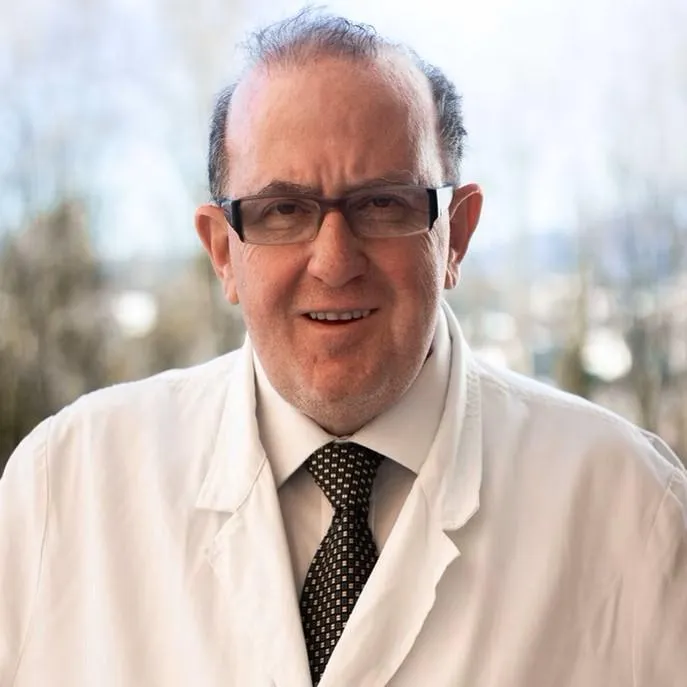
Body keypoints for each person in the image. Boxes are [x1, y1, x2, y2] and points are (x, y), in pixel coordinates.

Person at [1, 9, 685, 687]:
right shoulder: (64, 488)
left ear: (456, 235)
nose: (333, 262)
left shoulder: (630, 507)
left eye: (382, 204)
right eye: (282, 210)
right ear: (222, 252)